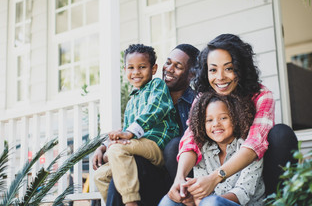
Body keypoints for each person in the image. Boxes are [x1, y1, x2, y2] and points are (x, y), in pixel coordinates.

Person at [167, 34, 298, 204]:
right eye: (213, 69)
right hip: (214, 171)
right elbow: (191, 139)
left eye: (228, 68)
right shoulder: (203, 99)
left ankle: (277, 201)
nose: (220, 77)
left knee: (281, 134)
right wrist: (180, 178)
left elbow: (253, 145)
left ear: (241, 68)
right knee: (174, 147)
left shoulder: (261, 96)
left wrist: (215, 177)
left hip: (254, 172)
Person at [103, 44, 200, 206]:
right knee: (114, 176)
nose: (169, 69)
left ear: (191, 74)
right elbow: (129, 128)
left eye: (178, 66)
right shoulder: (142, 95)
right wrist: (106, 145)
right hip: (148, 168)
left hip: (176, 177)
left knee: (173, 145)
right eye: (168, 62)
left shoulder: (197, 103)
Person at [159, 92, 265, 206]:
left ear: (236, 118)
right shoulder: (203, 150)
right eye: (209, 120)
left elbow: (243, 193)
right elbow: (201, 196)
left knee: (211, 202)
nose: (216, 124)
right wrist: (191, 196)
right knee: (169, 201)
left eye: (223, 118)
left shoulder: (247, 150)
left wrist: (204, 201)